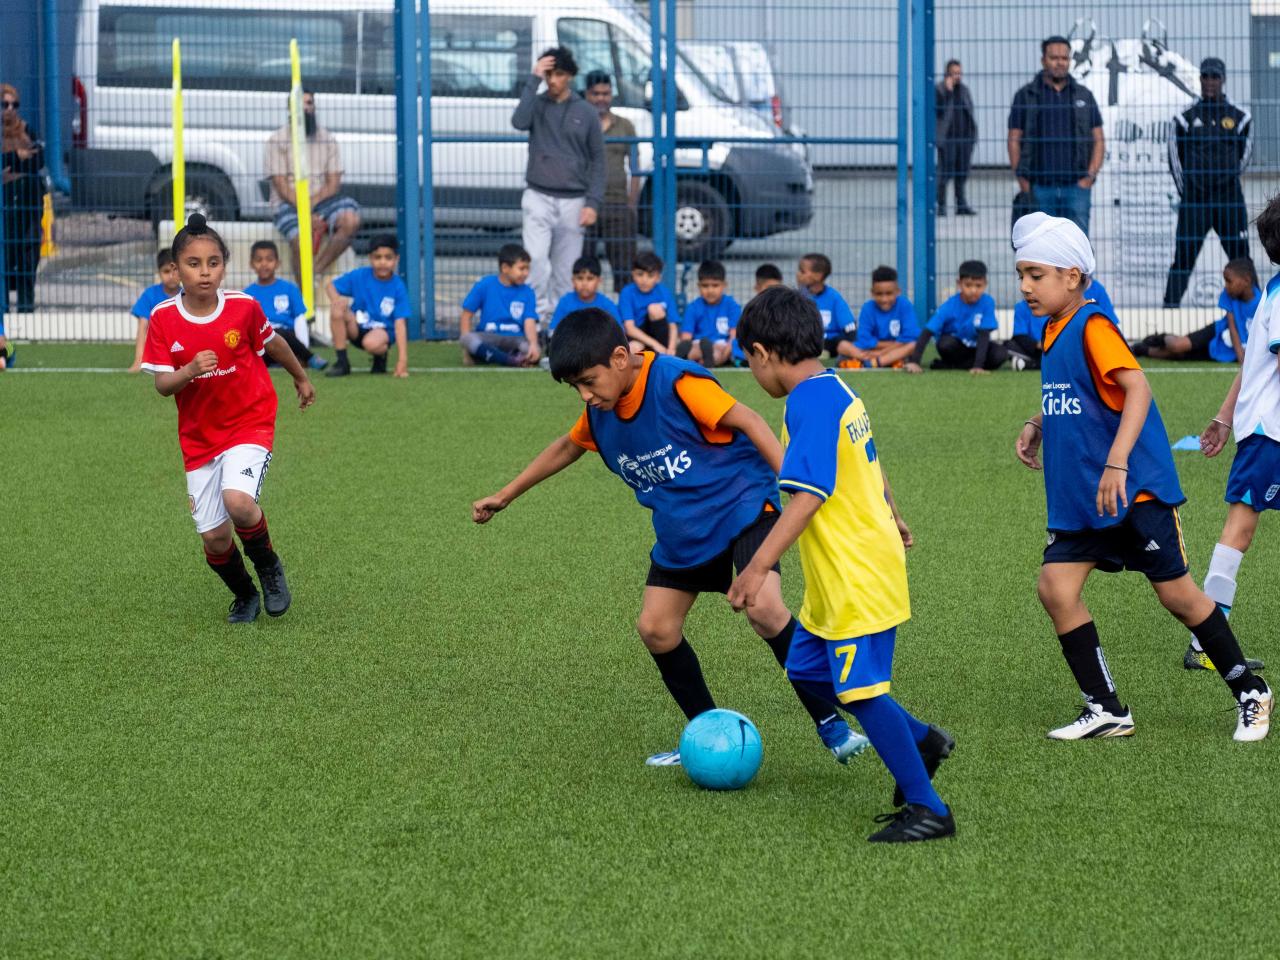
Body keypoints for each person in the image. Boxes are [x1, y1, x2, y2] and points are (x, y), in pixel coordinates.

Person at [472, 307, 871, 766]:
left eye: (589, 381)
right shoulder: (599, 411)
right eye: (575, 388)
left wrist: (796, 484)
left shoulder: (677, 383)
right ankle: (707, 733)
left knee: (765, 608)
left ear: (621, 357)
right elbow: (568, 446)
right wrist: (506, 495)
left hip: (741, 507)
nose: (585, 395)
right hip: (684, 531)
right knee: (656, 629)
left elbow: (751, 422)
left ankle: (833, 725)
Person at [1010, 212, 1270, 742]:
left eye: (1036, 275)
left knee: (1178, 597)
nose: (1025, 286)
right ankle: (1106, 708)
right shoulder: (1052, 328)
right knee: (1055, 589)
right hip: (1084, 496)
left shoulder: (1093, 324)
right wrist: (1039, 421)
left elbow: (1137, 389)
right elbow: (1080, 397)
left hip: (1134, 491)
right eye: (1022, 274)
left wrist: (1117, 461)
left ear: (1073, 277)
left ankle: (1251, 692)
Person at [728, 286, 955, 843]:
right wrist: (895, 514)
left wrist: (757, 567)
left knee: (859, 691)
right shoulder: (833, 386)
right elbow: (869, 464)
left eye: (747, 362)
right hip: (842, 570)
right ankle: (923, 740)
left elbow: (808, 495)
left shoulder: (807, 401)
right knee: (806, 668)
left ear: (761, 353)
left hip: (854, 570)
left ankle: (930, 811)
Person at [139, 214, 315, 623]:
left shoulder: (244, 307)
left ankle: (269, 569)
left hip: (248, 420)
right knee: (216, 540)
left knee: (238, 502)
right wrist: (189, 372)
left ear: (224, 265)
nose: (205, 272)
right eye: (194, 263)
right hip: (200, 437)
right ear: (176, 268)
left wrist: (301, 378)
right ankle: (245, 594)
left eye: (213, 262)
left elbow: (275, 344)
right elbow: (163, 386)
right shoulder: (164, 317)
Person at [1191, 196, 1280, 680]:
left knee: (1241, 528)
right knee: (1240, 529)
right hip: (1271, 434)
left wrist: (1223, 418)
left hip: (1265, 430)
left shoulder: (1273, 291)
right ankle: (1206, 639)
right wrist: (1230, 419)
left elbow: (1252, 366)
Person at [512, 48, 604, 319]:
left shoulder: (586, 112)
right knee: (536, 262)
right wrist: (533, 79)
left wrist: (592, 203)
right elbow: (518, 122)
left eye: (559, 74)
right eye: (549, 74)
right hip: (538, 194)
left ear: (571, 76)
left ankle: (561, 328)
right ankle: (536, 325)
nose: (553, 80)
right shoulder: (536, 104)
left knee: (566, 271)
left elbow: (598, 159)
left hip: (574, 200)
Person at [1162, 58, 1253, 307]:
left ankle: (1258, 315)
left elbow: (1245, 157)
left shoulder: (1241, 116)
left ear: (1223, 79)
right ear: (1200, 79)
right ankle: (1166, 313)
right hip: (1195, 201)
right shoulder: (1184, 118)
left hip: (1229, 198)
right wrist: (1188, 190)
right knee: (1183, 259)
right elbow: (1174, 158)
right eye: (1206, 76)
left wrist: (1227, 181)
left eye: (1215, 76)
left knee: (1241, 258)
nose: (1210, 81)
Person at [1008, 36, 1105, 234]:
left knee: (1077, 247)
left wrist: (1090, 176)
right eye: (1054, 58)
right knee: (1042, 248)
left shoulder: (1083, 95)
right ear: (1043, 60)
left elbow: (1099, 139)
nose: (1059, 62)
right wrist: (1022, 179)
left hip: (1076, 188)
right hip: (1039, 188)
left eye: (1064, 58)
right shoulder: (1026, 95)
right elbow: (1013, 138)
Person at [264, 89, 362, 285]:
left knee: (351, 220)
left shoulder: (327, 139)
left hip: (322, 201)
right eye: (301, 105)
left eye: (309, 104)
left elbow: (333, 183)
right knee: (301, 241)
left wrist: (311, 207)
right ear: (290, 109)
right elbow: (281, 186)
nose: (306, 108)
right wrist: (305, 213)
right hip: (288, 202)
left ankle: (316, 271)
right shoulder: (277, 140)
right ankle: (304, 303)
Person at [583, 70, 642, 294]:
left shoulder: (625, 126)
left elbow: (635, 167)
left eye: (606, 93)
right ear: (587, 94)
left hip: (618, 204)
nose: (601, 99)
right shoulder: (580, 123)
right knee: (583, 266)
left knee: (624, 268)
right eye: (596, 93)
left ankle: (623, 321)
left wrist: (632, 204)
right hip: (586, 205)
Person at [1138, 259, 1258, 362]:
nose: (1226, 286)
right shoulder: (1229, 295)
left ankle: (1142, 349)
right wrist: (1242, 360)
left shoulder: (1261, 302)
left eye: (1229, 281)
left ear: (1246, 280)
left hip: (1225, 349)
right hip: (1216, 332)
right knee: (1177, 346)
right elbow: (1233, 328)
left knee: (1180, 355)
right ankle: (1160, 338)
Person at [324, 235, 411, 378]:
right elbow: (330, 286)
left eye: (388, 258)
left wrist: (402, 360)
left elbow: (400, 323)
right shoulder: (360, 275)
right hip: (356, 327)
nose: (382, 262)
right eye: (377, 257)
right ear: (370, 258)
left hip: (380, 333)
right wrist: (337, 299)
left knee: (371, 343)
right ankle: (342, 362)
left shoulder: (398, 286)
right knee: (337, 310)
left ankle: (380, 355)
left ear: (397, 259)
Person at [244, 240, 327, 371]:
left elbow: (300, 319)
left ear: (277, 263)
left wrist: (303, 347)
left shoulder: (289, 289)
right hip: (263, 343)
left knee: (281, 333)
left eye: (269, 259)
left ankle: (308, 357)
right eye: (259, 260)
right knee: (265, 339)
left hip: (288, 341)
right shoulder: (247, 294)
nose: (264, 264)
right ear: (251, 264)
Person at [908, 261, 1006, 372]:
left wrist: (978, 366)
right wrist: (914, 362)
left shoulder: (988, 302)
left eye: (978, 286)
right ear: (959, 283)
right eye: (968, 285)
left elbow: (984, 335)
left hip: (976, 348)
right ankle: (963, 364)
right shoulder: (950, 305)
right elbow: (928, 331)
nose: (973, 290)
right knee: (945, 344)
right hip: (957, 349)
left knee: (1000, 354)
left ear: (985, 284)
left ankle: (952, 366)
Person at [2, 83, 45, 314]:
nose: (10, 109)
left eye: (14, 104)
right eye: (4, 104)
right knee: (5, 262)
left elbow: (39, 160)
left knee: (29, 261)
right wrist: (18, 156)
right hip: (6, 209)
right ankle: (3, 315)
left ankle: (27, 312)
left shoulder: (27, 130)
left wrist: (13, 162)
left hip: (29, 205)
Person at [1008, 276, 1113, 370]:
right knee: (1008, 346)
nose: (1025, 288)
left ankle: (1029, 364)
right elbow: (1019, 335)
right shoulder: (1022, 306)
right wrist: (1038, 344)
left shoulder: (1061, 304)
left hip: (1061, 346)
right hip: (1037, 347)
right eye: (1021, 278)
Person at [459, 243, 540, 367]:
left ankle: (492, 356)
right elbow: (466, 314)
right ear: (505, 268)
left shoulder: (528, 292)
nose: (526, 273)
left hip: (516, 338)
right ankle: (511, 360)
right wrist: (466, 344)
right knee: (467, 339)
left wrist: (533, 345)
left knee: (532, 349)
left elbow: (529, 322)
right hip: (488, 336)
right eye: (521, 268)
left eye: (528, 269)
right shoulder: (485, 284)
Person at [846, 266, 922, 370]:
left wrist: (880, 353)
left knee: (913, 345)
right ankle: (891, 361)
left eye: (889, 293)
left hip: (894, 350)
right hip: (880, 349)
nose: (884, 299)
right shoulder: (867, 307)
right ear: (872, 292)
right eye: (879, 294)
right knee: (842, 346)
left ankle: (875, 362)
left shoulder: (905, 305)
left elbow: (910, 337)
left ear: (898, 291)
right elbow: (864, 339)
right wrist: (886, 347)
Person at [127, 248, 181, 373]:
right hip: (158, 347)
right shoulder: (150, 295)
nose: (171, 275)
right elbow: (142, 328)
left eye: (175, 270)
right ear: (159, 272)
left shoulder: (188, 295)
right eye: (166, 271)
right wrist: (139, 360)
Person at [678, 260, 740, 368]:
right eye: (705, 286)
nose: (710, 290)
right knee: (694, 348)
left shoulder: (732, 305)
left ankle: (703, 360)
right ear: (698, 286)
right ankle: (705, 360)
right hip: (698, 344)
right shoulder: (693, 307)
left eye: (715, 285)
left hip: (721, 345)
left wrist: (727, 351)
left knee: (720, 351)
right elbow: (686, 337)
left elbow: (733, 336)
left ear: (724, 285)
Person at [795, 253, 857, 360]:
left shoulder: (834, 298)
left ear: (818, 276)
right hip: (806, 342)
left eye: (802, 271)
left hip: (830, 343)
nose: (798, 274)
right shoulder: (797, 297)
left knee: (844, 345)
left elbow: (850, 329)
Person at [936, 60, 977, 217]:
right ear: (947, 74)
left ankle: (961, 205)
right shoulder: (940, 89)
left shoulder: (964, 90)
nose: (957, 76)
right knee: (945, 173)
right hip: (948, 140)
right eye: (954, 73)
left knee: (962, 173)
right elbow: (939, 111)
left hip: (965, 139)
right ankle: (941, 206)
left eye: (959, 73)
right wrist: (948, 91)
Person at [618, 251, 679, 355]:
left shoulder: (664, 292)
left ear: (658, 277)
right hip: (638, 337)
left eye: (650, 276)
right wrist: (655, 344)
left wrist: (671, 349)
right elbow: (629, 328)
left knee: (654, 309)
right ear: (633, 274)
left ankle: (663, 357)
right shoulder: (627, 292)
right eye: (640, 274)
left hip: (659, 338)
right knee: (633, 349)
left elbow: (672, 325)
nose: (644, 280)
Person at [550, 255, 620, 335]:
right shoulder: (565, 302)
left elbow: (618, 332)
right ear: (573, 280)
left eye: (590, 278)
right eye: (580, 278)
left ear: (599, 281)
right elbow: (553, 331)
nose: (584, 283)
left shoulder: (606, 305)